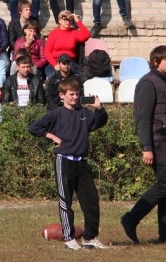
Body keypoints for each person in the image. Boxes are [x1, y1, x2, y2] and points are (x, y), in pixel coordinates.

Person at [28, 79, 109, 250]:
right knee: (66, 202)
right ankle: (69, 238)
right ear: (62, 95)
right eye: (71, 94)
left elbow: (100, 122)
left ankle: (90, 238)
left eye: (77, 94)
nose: (75, 97)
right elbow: (34, 128)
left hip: (82, 163)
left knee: (92, 201)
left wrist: (99, 108)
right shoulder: (56, 114)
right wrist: (52, 137)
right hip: (64, 161)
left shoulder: (84, 113)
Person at [120, 46, 166, 245]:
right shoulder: (148, 82)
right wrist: (146, 147)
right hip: (157, 140)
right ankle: (131, 218)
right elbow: (142, 117)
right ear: (155, 61)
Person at [44, 11, 90, 76]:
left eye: (70, 20)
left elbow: (87, 35)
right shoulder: (53, 33)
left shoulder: (74, 33)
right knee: (54, 78)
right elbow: (47, 52)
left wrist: (77, 20)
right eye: (65, 20)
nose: (68, 22)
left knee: (73, 78)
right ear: (59, 21)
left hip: (70, 63)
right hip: (56, 61)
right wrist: (55, 65)